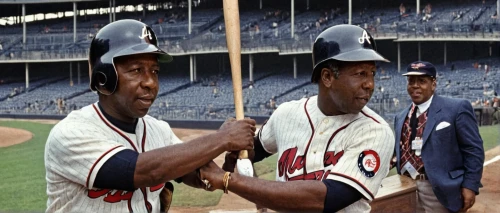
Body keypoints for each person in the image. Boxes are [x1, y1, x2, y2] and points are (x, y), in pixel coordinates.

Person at [44, 19, 256, 213]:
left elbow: (197, 174)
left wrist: (226, 168)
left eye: (154, 71)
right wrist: (222, 138)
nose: (150, 83)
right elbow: (143, 171)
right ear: (104, 78)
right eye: (137, 70)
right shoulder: (71, 133)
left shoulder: (158, 130)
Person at [199, 25, 395, 212]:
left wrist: (228, 179)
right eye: (360, 74)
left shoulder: (376, 131)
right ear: (327, 77)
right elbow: (253, 152)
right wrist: (237, 147)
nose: (370, 84)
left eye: (372, 74)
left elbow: (326, 199)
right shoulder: (286, 114)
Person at [393, 61, 484, 213]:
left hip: (439, 188)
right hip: (406, 186)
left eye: (422, 81)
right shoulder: (400, 116)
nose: (415, 86)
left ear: (433, 84)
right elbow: (401, 150)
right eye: (411, 81)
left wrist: (470, 185)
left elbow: (473, 149)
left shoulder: (456, 108)